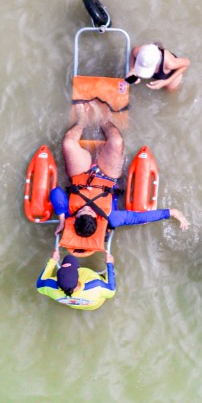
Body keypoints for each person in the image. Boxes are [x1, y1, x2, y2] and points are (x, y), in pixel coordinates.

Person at [50, 102, 188, 253]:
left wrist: (62, 219)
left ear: (75, 219)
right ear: (97, 219)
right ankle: (103, 120)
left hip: (80, 173)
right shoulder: (112, 218)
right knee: (117, 142)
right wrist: (172, 212)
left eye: (82, 211)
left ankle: (82, 122)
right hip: (107, 176)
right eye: (90, 212)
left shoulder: (68, 215)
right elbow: (139, 218)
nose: (87, 208)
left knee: (68, 143)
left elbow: (55, 192)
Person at [35, 250, 117, 310]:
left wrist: (52, 261)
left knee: (68, 259)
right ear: (78, 278)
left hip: (73, 303)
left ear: (57, 280)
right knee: (70, 259)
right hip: (94, 304)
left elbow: (39, 284)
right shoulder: (97, 287)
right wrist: (110, 264)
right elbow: (111, 290)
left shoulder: (49, 287)